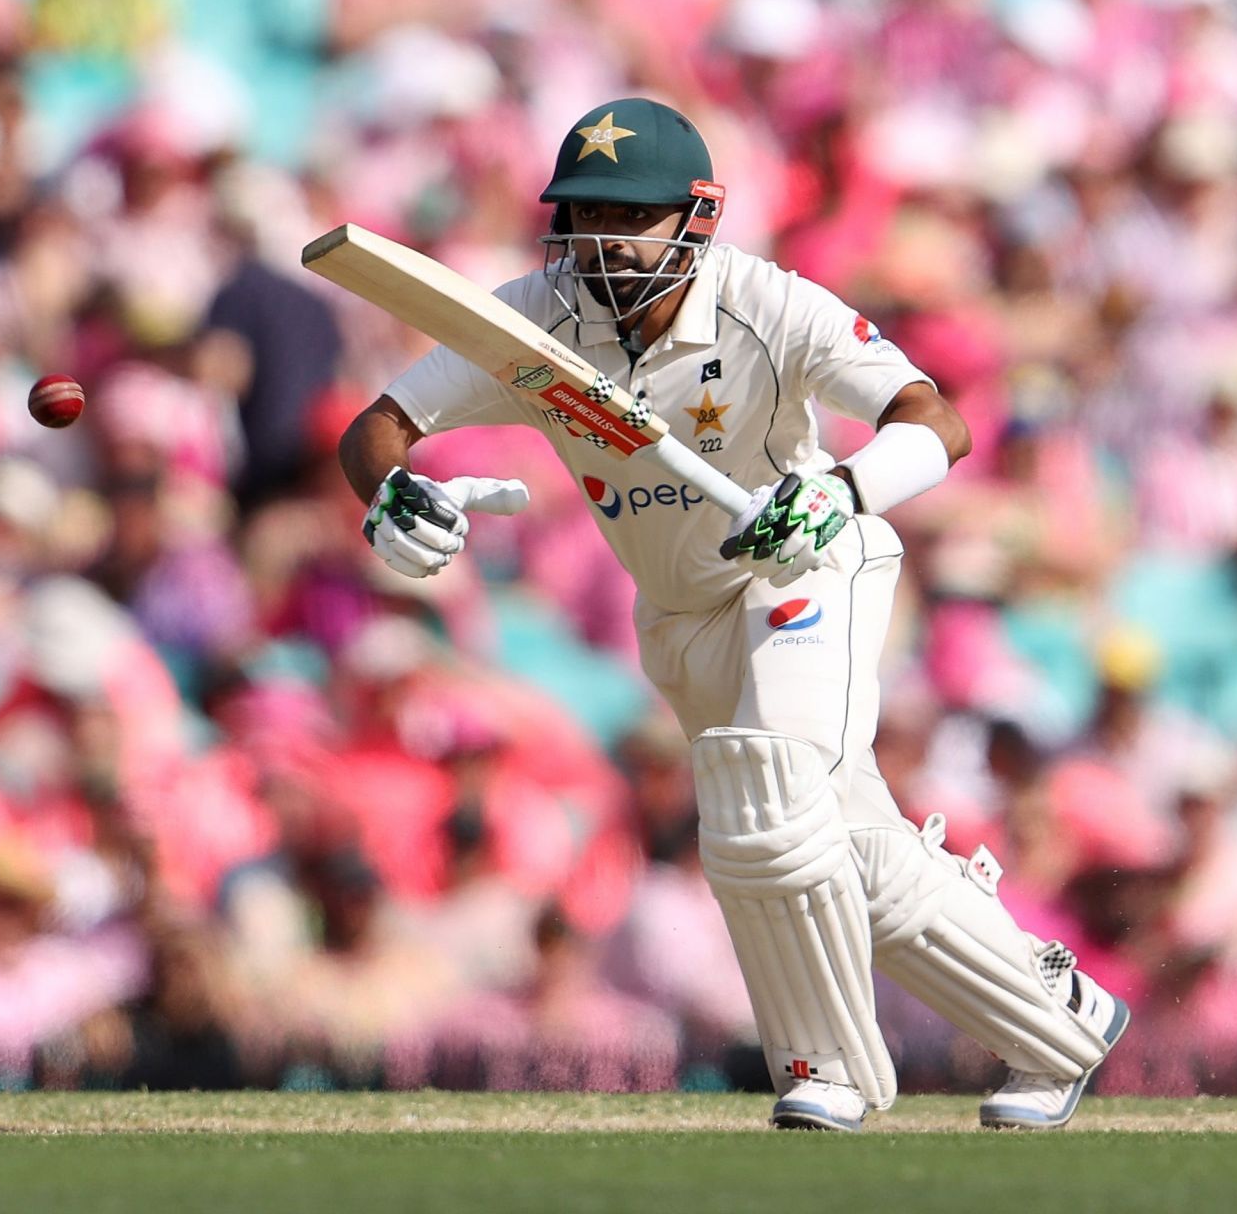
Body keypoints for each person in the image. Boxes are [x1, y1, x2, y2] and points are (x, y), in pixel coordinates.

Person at [338, 98, 1127, 1131]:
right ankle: (1057, 1018)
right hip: (681, 615)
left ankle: (827, 1069)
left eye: (630, 215)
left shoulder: (768, 303)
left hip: (807, 568)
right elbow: (382, 427)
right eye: (582, 214)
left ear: (697, 215)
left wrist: (841, 489)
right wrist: (394, 491)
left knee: (763, 794)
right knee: (850, 850)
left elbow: (939, 419)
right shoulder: (535, 314)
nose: (602, 242)